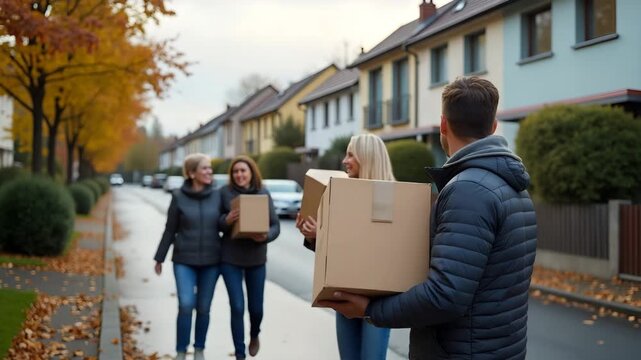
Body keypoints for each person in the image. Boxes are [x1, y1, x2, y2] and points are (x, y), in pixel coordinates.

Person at [319, 77, 537, 359]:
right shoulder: (513, 187)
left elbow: (445, 295)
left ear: (443, 125)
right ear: (493, 126)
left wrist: (370, 311)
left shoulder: (468, 190)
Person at [296, 133, 394, 360]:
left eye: (350, 154)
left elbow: (382, 248)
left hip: (377, 300)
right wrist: (315, 234)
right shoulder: (340, 193)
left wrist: (325, 231)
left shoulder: (389, 197)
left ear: (367, 158)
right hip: (345, 292)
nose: (344, 160)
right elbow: (338, 252)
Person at [153, 153, 223, 360]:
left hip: (212, 261)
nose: (209, 171)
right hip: (184, 260)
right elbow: (169, 229)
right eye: (205, 168)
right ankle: (181, 351)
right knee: (185, 304)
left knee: (203, 307)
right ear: (192, 173)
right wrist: (160, 257)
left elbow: (227, 223)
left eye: (210, 168)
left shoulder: (218, 195)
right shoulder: (178, 196)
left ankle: (199, 349)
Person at [218, 155, 280, 360]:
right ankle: (239, 353)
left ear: (252, 172)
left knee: (256, 309)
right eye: (235, 171)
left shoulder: (263, 193)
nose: (239, 174)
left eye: (243, 170)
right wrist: (226, 220)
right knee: (237, 306)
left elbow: (275, 225)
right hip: (230, 258)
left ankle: (254, 334)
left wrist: (266, 236)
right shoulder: (224, 193)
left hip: (256, 258)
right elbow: (216, 223)